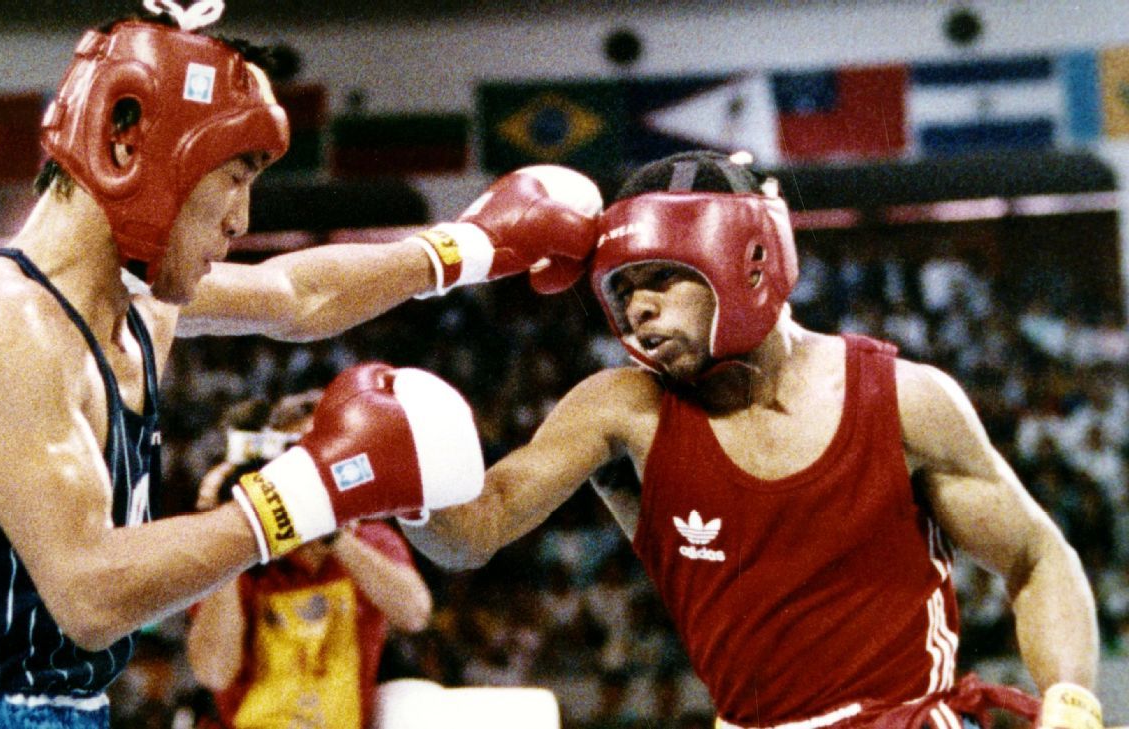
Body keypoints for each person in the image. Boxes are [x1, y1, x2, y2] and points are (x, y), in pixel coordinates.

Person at [0, 2, 603, 726]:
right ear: (128, 148)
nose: (241, 219)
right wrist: (308, 492)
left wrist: (472, 247)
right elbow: (90, 593)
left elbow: (298, 294)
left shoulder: (135, 307)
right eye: (234, 178)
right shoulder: (1, 323)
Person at [403, 150, 1107, 729]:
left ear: (747, 261)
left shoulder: (901, 399)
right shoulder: (624, 409)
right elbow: (476, 529)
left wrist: (1071, 701)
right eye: (622, 290)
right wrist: (402, 481)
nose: (637, 308)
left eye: (661, 278)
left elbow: (1036, 556)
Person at [185, 389, 432, 728]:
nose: (314, 474)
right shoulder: (243, 553)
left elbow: (415, 613)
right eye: (300, 457)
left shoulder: (371, 541)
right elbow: (213, 672)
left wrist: (332, 532)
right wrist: (230, 536)